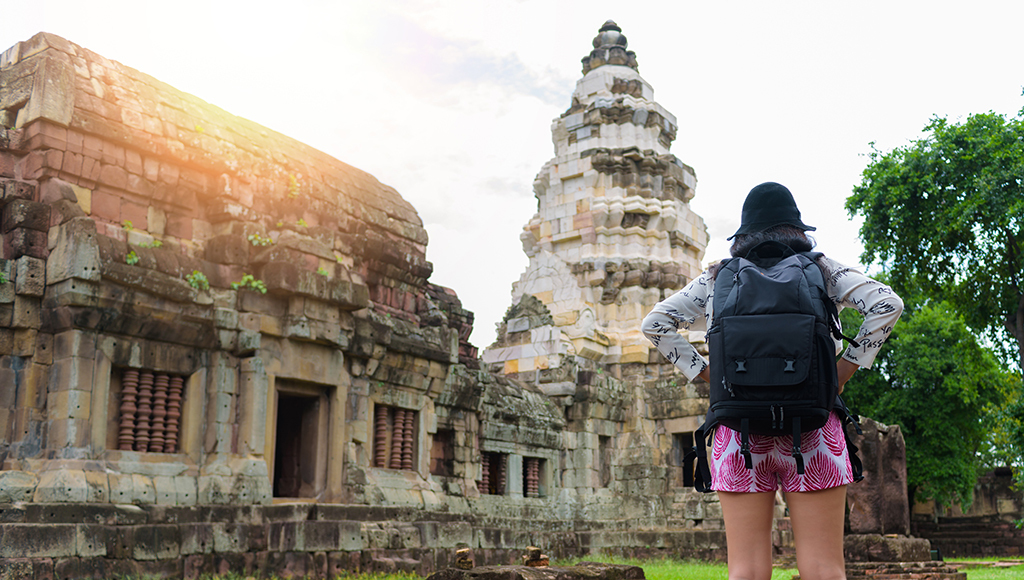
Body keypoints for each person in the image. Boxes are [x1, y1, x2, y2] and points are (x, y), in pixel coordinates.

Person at [641, 182, 903, 580]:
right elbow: (888, 303)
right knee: (824, 567)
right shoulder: (821, 269)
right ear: (797, 230)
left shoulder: (716, 279)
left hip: (738, 433)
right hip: (815, 430)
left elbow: (655, 323)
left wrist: (707, 375)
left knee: (745, 569)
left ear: (742, 236)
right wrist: (845, 368)